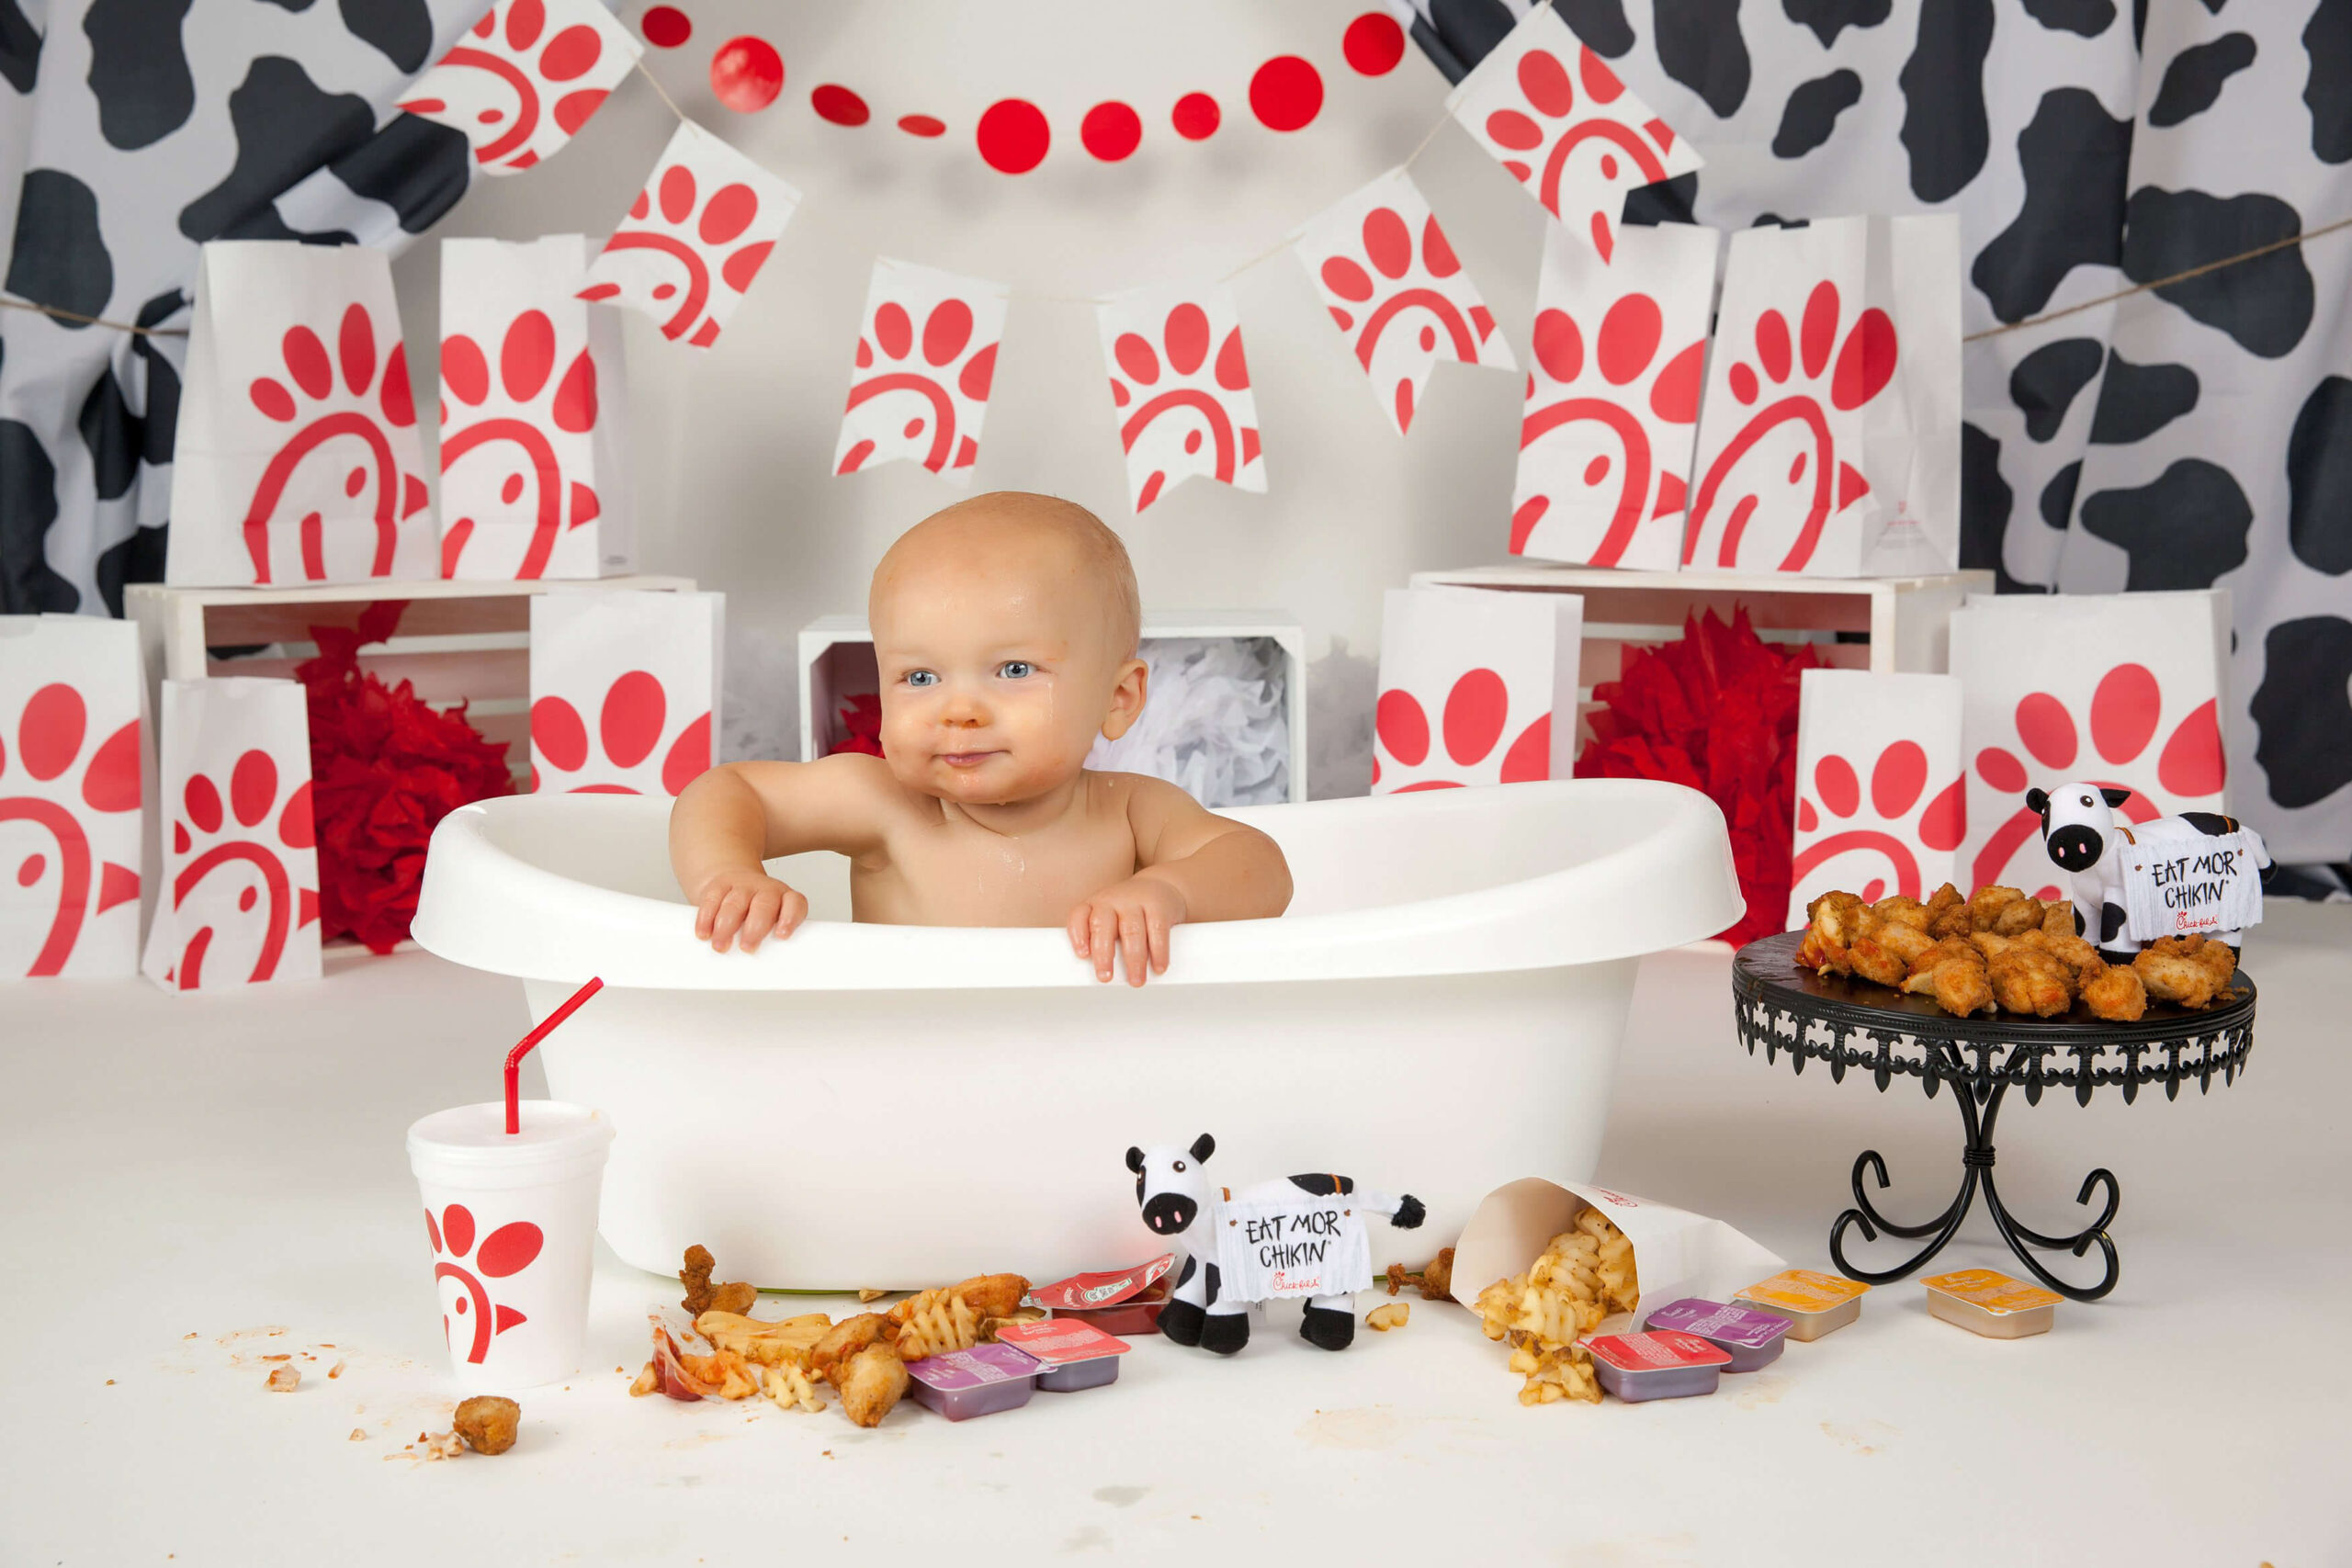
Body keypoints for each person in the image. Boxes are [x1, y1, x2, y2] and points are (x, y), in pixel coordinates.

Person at [668, 491, 1293, 984]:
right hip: (911, 1079)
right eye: (919, 676)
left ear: (1117, 698)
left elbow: (1261, 867)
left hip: (1085, 1081)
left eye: (1014, 670)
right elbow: (728, 790)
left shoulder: (1130, 812)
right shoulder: (884, 803)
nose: (959, 710)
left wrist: (1169, 891)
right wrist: (728, 873)